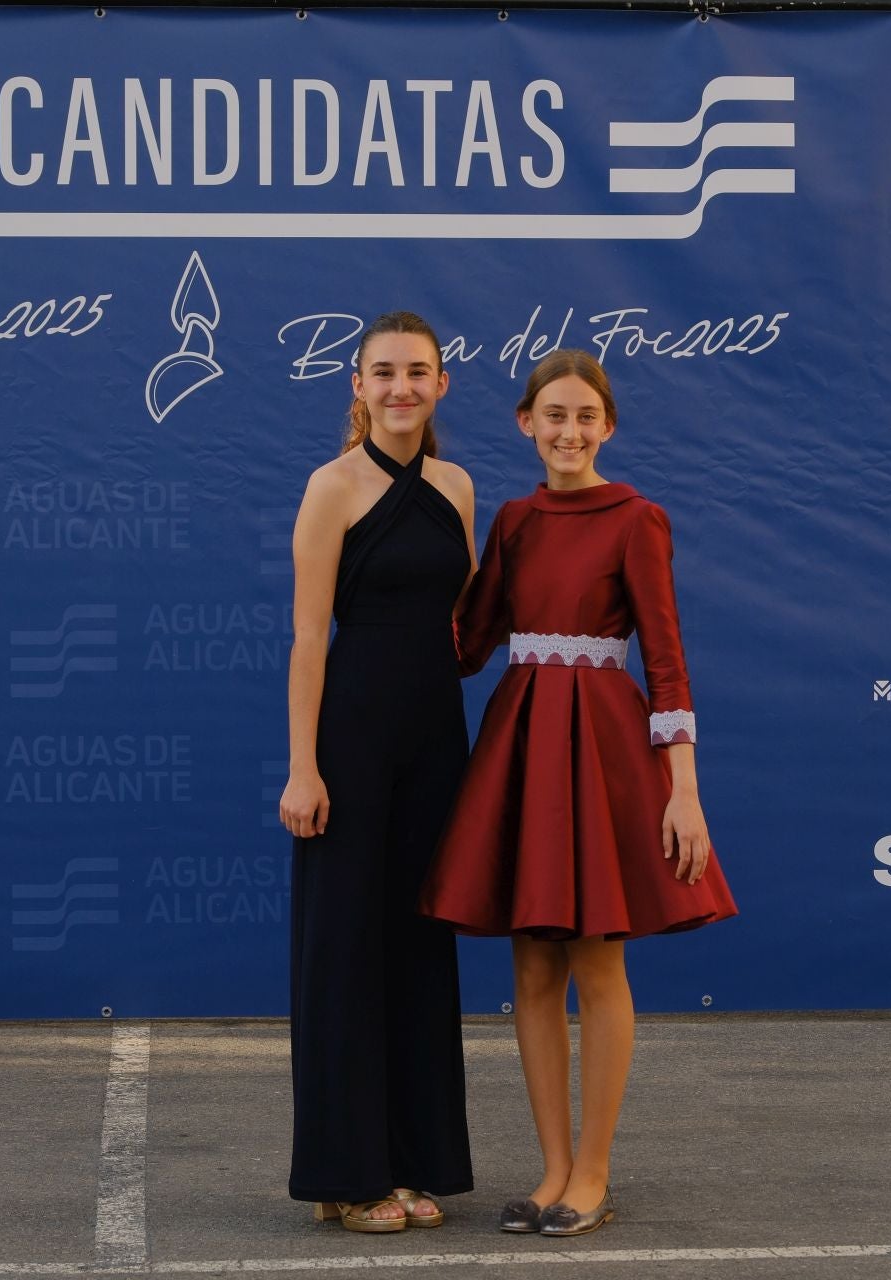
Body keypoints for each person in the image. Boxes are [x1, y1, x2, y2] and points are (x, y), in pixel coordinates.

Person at [421, 349, 738, 1238]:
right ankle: (552, 1166)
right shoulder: (514, 521)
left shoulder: (638, 518)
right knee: (529, 967)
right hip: (522, 744)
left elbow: (668, 662)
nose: (568, 432)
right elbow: (466, 642)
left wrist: (684, 792)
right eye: (552, 416)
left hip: (599, 751)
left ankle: (593, 1171)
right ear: (526, 424)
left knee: (597, 960)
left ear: (607, 428)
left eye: (584, 417)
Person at [280, 311, 476, 1233]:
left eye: (418, 372)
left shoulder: (460, 488)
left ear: (441, 385)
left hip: (438, 745)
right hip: (350, 748)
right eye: (384, 372)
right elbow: (309, 638)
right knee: (344, 954)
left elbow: (459, 628)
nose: (402, 387)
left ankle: (405, 1161)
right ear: (356, 387)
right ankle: (344, 1175)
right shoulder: (331, 487)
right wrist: (302, 769)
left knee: (417, 952)